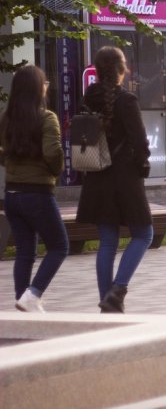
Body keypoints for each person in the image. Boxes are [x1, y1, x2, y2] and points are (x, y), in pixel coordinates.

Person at [76, 46, 153, 312]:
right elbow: (140, 142)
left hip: (96, 176)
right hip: (125, 178)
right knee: (144, 234)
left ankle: (106, 300)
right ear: (122, 69)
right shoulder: (126, 100)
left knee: (107, 241)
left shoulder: (88, 99)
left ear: (98, 71)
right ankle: (117, 290)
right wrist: (142, 165)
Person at [0, 66, 67, 313]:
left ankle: (23, 301)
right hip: (37, 193)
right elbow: (53, 153)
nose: (46, 86)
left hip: (12, 195)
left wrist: (12, 163)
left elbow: (3, 154)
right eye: (44, 82)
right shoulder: (47, 118)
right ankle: (34, 293)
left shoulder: (6, 119)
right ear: (37, 88)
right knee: (59, 246)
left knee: (25, 251)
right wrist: (56, 170)